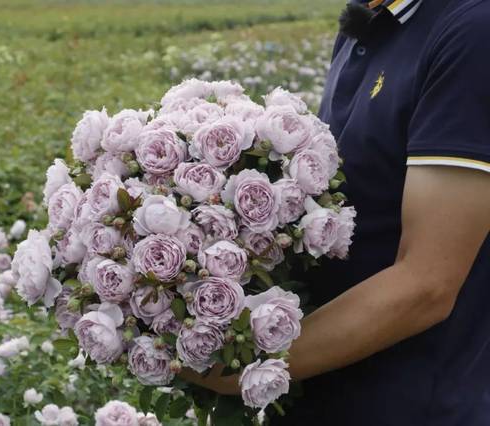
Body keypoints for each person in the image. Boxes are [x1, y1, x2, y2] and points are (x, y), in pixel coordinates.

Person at [181, 0, 490, 424]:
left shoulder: (471, 31)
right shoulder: (365, 23)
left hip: (412, 403)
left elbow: (427, 283)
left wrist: (247, 368)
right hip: (323, 389)